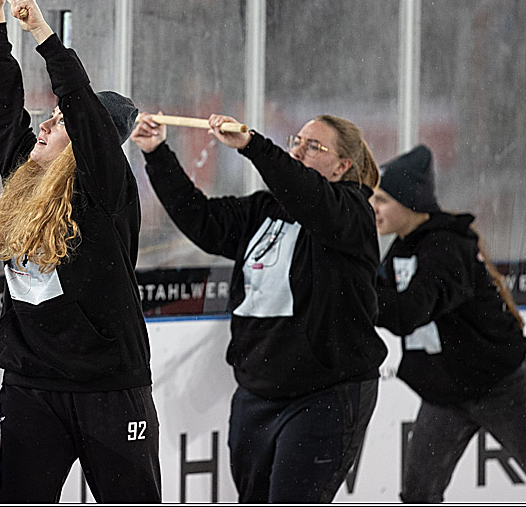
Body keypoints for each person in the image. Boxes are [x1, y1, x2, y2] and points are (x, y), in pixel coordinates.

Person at [130, 112, 387, 503]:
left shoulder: (351, 213)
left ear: (341, 167)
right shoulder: (264, 209)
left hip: (325, 395)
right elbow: (202, 220)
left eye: (312, 146)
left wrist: (253, 146)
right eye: (295, 140)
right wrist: (158, 153)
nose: (298, 149)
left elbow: (308, 195)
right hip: (257, 394)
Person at [0, 0, 161, 503]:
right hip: (33, 386)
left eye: (59, 121)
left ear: (89, 139)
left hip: (109, 387)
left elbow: (81, 109)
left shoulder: (104, 191)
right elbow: (2, 112)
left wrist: (44, 37)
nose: (46, 122)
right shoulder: (26, 177)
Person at [369, 144, 526, 503]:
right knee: (418, 494)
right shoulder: (402, 246)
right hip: (445, 394)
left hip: (502, 387)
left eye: (382, 200)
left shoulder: (446, 247)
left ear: (410, 202)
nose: (373, 207)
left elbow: (406, 312)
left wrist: (354, 290)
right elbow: (379, 299)